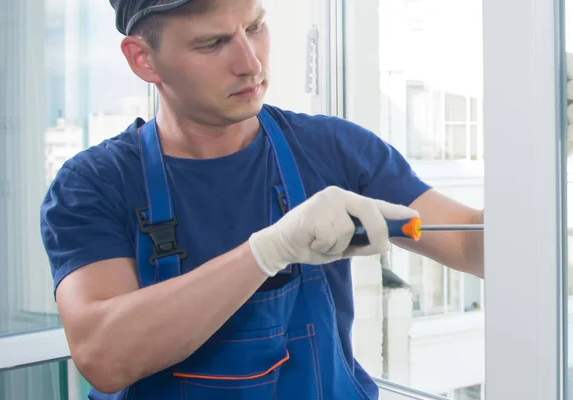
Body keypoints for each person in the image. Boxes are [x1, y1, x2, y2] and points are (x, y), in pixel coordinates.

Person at [39, 0, 484, 399]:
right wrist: (270, 250)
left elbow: (465, 243)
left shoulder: (334, 149)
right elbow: (104, 357)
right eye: (212, 43)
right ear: (143, 59)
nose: (250, 64)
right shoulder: (95, 184)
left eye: (254, 27)